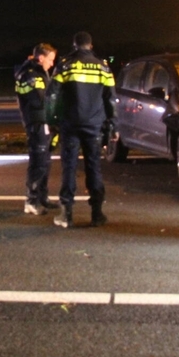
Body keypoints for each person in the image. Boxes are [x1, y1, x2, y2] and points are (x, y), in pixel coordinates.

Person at [46, 32, 116, 228]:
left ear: (74, 46)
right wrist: (113, 124)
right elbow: (110, 98)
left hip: (70, 124)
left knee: (69, 168)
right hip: (94, 125)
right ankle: (97, 214)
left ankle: (66, 214)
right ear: (90, 46)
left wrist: (51, 120)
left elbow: (52, 95)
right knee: (94, 167)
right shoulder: (103, 67)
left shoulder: (65, 65)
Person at [15, 43, 58, 215]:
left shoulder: (39, 73)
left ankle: (42, 197)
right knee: (38, 163)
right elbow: (41, 101)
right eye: (50, 59)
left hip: (44, 123)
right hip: (37, 123)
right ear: (41, 58)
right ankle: (31, 201)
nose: (52, 64)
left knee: (45, 162)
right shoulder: (30, 76)